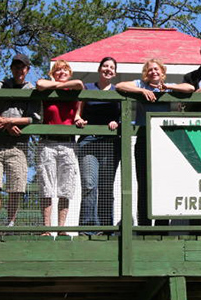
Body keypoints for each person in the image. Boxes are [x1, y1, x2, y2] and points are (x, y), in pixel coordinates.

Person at [116, 59, 194, 227]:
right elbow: (120, 86)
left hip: (162, 140)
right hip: (143, 137)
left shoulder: (167, 86)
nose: (153, 72)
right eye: (150, 70)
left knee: (162, 182)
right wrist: (141, 91)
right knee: (143, 183)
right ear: (146, 73)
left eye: (156, 69)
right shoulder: (140, 84)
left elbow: (190, 88)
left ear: (162, 72)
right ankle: (144, 225)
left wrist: (169, 88)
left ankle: (161, 226)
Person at [0, 53, 39, 232]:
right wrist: (4, 123)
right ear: (11, 69)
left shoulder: (31, 89)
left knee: (16, 187)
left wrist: (11, 122)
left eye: (22, 67)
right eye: (16, 66)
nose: (19, 70)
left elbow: (34, 118)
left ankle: (10, 224)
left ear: (27, 70)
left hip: (19, 147)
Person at [36, 60, 85, 235]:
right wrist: (56, 85)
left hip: (68, 144)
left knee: (66, 188)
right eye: (57, 70)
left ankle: (61, 228)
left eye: (65, 70)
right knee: (46, 187)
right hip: (47, 143)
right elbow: (40, 84)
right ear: (52, 73)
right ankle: (46, 228)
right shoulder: (46, 87)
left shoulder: (73, 89)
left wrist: (58, 85)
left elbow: (80, 84)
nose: (61, 72)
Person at [78, 57, 121, 233]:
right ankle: (88, 228)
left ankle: (106, 228)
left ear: (115, 73)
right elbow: (78, 109)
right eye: (105, 66)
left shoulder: (118, 91)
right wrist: (78, 118)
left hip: (110, 143)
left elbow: (121, 115)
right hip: (89, 141)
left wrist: (117, 122)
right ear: (99, 69)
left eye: (112, 67)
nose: (108, 69)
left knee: (106, 187)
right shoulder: (88, 88)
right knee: (89, 184)